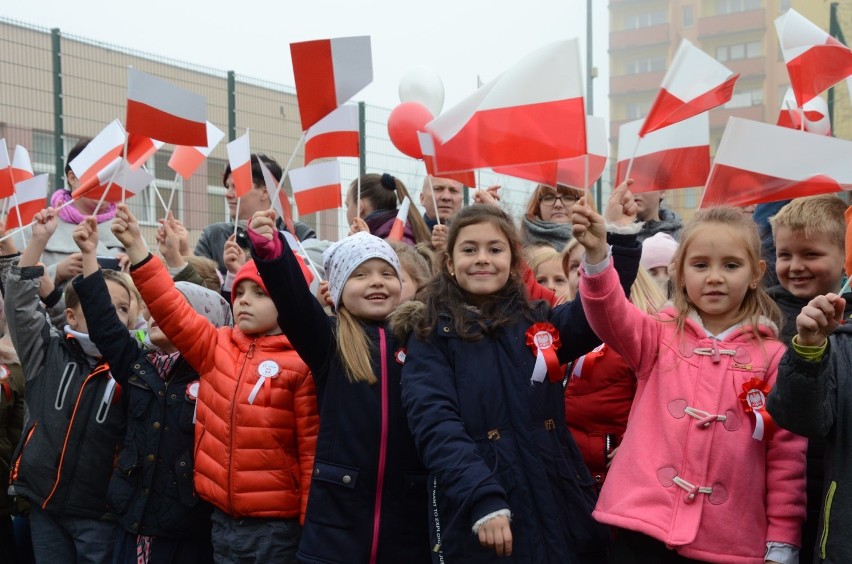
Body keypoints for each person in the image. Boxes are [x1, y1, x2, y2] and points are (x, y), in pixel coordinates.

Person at [397, 200, 643, 563]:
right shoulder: (431, 336)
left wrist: (612, 244)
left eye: (495, 249)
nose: (483, 258)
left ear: (513, 262)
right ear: (449, 263)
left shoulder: (539, 321)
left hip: (559, 501)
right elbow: (436, 424)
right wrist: (482, 496)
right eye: (469, 249)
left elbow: (598, 313)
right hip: (487, 510)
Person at [575, 203, 807, 563]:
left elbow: (786, 459)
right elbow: (609, 313)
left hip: (729, 542)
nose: (715, 277)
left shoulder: (775, 358)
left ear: (756, 273)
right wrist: (596, 255)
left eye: (731, 265)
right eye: (700, 265)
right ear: (679, 273)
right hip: (642, 530)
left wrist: (782, 541)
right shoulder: (655, 335)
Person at [114, 204, 319, 564]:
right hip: (220, 521)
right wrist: (137, 248)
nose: (244, 302)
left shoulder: (302, 363)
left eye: (260, 294)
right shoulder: (215, 345)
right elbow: (170, 307)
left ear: (288, 299)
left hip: (277, 528)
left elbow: (310, 454)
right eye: (240, 293)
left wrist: (311, 530)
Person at [244, 215, 431, 564]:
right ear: (339, 287)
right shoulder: (329, 340)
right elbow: (294, 303)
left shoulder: (422, 342)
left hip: (407, 522)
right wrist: (272, 254)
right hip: (336, 524)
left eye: (387, 273)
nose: (377, 282)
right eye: (361, 274)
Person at [72, 217, 224, 563]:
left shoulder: (214, 372)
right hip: (132, 521)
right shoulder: (139, 365)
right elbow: (106, 327)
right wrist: (90, 254)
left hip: (185, 534)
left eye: (171, 312)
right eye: (155, 310)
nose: (157, 314)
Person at [6, 207, 131, 563]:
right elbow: (20, 303)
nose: (112, 315)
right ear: (72, 315)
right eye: (103, 305)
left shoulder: (132, 368)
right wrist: (40, 239)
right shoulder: (48, 351)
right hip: (44, 504)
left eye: (122, 309)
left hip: (100, 515)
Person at [765, 195, 851, 562]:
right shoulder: (759, 317)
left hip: (827, 486)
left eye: (811, 254)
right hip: (772, 490)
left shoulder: (846, 329)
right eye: (785, 255)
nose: (795, 266)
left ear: (845, 255)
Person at [564, 267, 664, 492]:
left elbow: (658, 399)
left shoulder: (638, 338)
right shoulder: (554, 334)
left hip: (615, 478)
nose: (585, 279)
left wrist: (639, 443)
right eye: (577, 270)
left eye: (592, 270)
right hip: (573, 477)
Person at [194, 154, 316, 276]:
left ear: (264, 192)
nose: (228, 194)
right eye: (227, 186)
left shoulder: (299, 235)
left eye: (236, 187)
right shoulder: (213, 236)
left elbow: (308, 284)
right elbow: (201, 290)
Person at [42, 138, 125, 286]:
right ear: (72, 178)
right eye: (97, 174)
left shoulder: (126, 226)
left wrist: (137, 267)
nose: (104, 182)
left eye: (110, 175)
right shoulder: (42, 227)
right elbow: (15, 290)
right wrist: (58, 271)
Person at [345, 173, 431, 245]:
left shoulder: (398, 238)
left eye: (347, 205)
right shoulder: (393, 230)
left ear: (360, 207)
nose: (347, 211)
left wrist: (364, 245)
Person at [520, 183, 582, 252]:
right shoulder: (517, 248)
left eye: (568, 198)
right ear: (538, 205)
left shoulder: (593, 246)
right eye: (549, 198)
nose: (558, 204)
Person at [640, 232, 679, 296]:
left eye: (668, 272)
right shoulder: (631, 304)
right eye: (652, 273)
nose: (661, 278)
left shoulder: (690, 304)